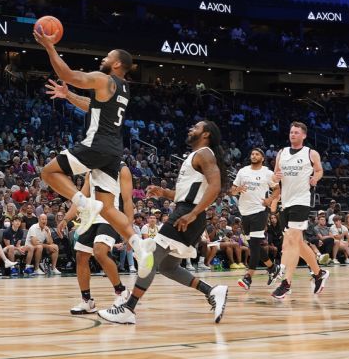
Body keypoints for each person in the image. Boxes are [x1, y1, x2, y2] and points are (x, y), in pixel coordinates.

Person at [98, 121, 230, 325]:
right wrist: (165, 193)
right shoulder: (195, 156)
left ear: (206, 134)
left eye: (195, 127)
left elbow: (215, 186)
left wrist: (194, 213)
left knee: (149, 257)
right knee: (168, 266)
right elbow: (189, 193)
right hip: (185, 211)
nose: (190, 128)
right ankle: (211, 291)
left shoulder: (205, 153)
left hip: (188, 214)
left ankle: (129, 308)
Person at [34, 36, 149, 270]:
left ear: (116, 64)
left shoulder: (103, 79)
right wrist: (68, 96)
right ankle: (139, 245)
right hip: (115, 151)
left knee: (47, 172)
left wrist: (49, 47)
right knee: (107, 208)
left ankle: (84, 204)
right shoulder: (124, 88)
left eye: (108, 56)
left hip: (96, 145)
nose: (103, 59)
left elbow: (68, 75)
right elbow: (93, 106)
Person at [264, 122, 329, 300]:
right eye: (291, 132)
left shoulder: (310, 153)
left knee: (290, 242)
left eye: (296, 132)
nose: (292, 134)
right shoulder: (282, 153)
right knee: (298, 244)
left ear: (304, 135)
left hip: (301, 200)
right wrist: (274, 178)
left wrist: (316, 177)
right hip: (286, 201)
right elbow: (275, 175)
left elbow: (319, 170)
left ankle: (286, 283)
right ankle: (318, 274)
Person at [64, 166, 134, 314]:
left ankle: (122, 292)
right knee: (81, 256)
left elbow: (127, 201)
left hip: (111, 216)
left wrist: (129, 232)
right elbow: (81, 196)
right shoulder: (91, 171)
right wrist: (66, 218)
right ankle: (87, 301)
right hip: (92, 216)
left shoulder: (122, 169)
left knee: (100, 251)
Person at [231, 148, 274, 291]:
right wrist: (236, 190)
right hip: (244, 212)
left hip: (260, 211)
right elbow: (232, 190)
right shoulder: (243, 171)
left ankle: (248, 277)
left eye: (257, 154)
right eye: (252, 154)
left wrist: (270, 200)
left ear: (262, 158)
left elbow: (278, 189)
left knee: (255, 244)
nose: (253, 156)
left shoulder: (267, 173)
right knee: (254, 246)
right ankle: (273, 268)